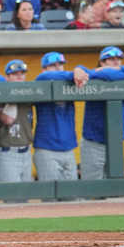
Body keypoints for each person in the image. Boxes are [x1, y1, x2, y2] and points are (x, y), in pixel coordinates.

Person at [33, 52, 88, 181]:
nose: (58, 68)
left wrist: (79, 70)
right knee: (50, 197)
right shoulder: (42, 79)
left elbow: (87, 72)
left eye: (61, 65)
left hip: (68, 150)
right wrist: (73, 73)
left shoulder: (70, 82)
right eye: (53, 65)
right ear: (44, 68)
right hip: (47, 150)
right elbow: (45, 77)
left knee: (72, 196)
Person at [80, 46, 124, 180]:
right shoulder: (93, 78)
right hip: (94, 143)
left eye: (119, 59)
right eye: (111, 59)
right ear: (101, 62)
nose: (116, 62)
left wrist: (101, 71)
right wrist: (96, 72)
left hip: (116, 143)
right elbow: (82, 70)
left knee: (116, 189)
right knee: (92, 189)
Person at [0, 60, 34, 183]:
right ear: (7, 77)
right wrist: (12, 95)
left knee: (26, 197)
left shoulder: (29, 95)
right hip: (6, 153)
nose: (19, 76)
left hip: (26, 151)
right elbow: (8, 119)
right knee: (13, 198)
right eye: (15, 74)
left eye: (22, 73)